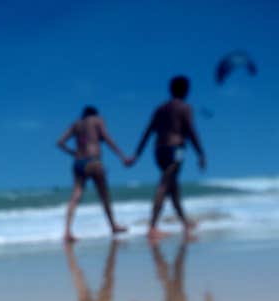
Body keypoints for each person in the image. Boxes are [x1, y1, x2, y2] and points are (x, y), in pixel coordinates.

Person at [128, 75, 206, 242]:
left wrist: (136, 154)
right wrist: (200, 153)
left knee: (173, 186)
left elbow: (147, 132)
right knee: (165, 185)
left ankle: (184, 222)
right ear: (186, 90)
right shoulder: (185, 108)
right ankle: (152, 227)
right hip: (176, 149)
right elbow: (191, 131)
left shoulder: (160, 109)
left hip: (158, 150)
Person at [56, 106, 129, 243]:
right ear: (94, 114)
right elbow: (107, 139)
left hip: (78, 162)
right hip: (94, 160)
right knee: (104, 195)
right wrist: (122, 156)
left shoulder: (76, 124)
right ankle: (113, 226)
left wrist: (73, 152)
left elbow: (60, 142)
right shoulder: (96, 120)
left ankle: (67, 231)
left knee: (75, 197)